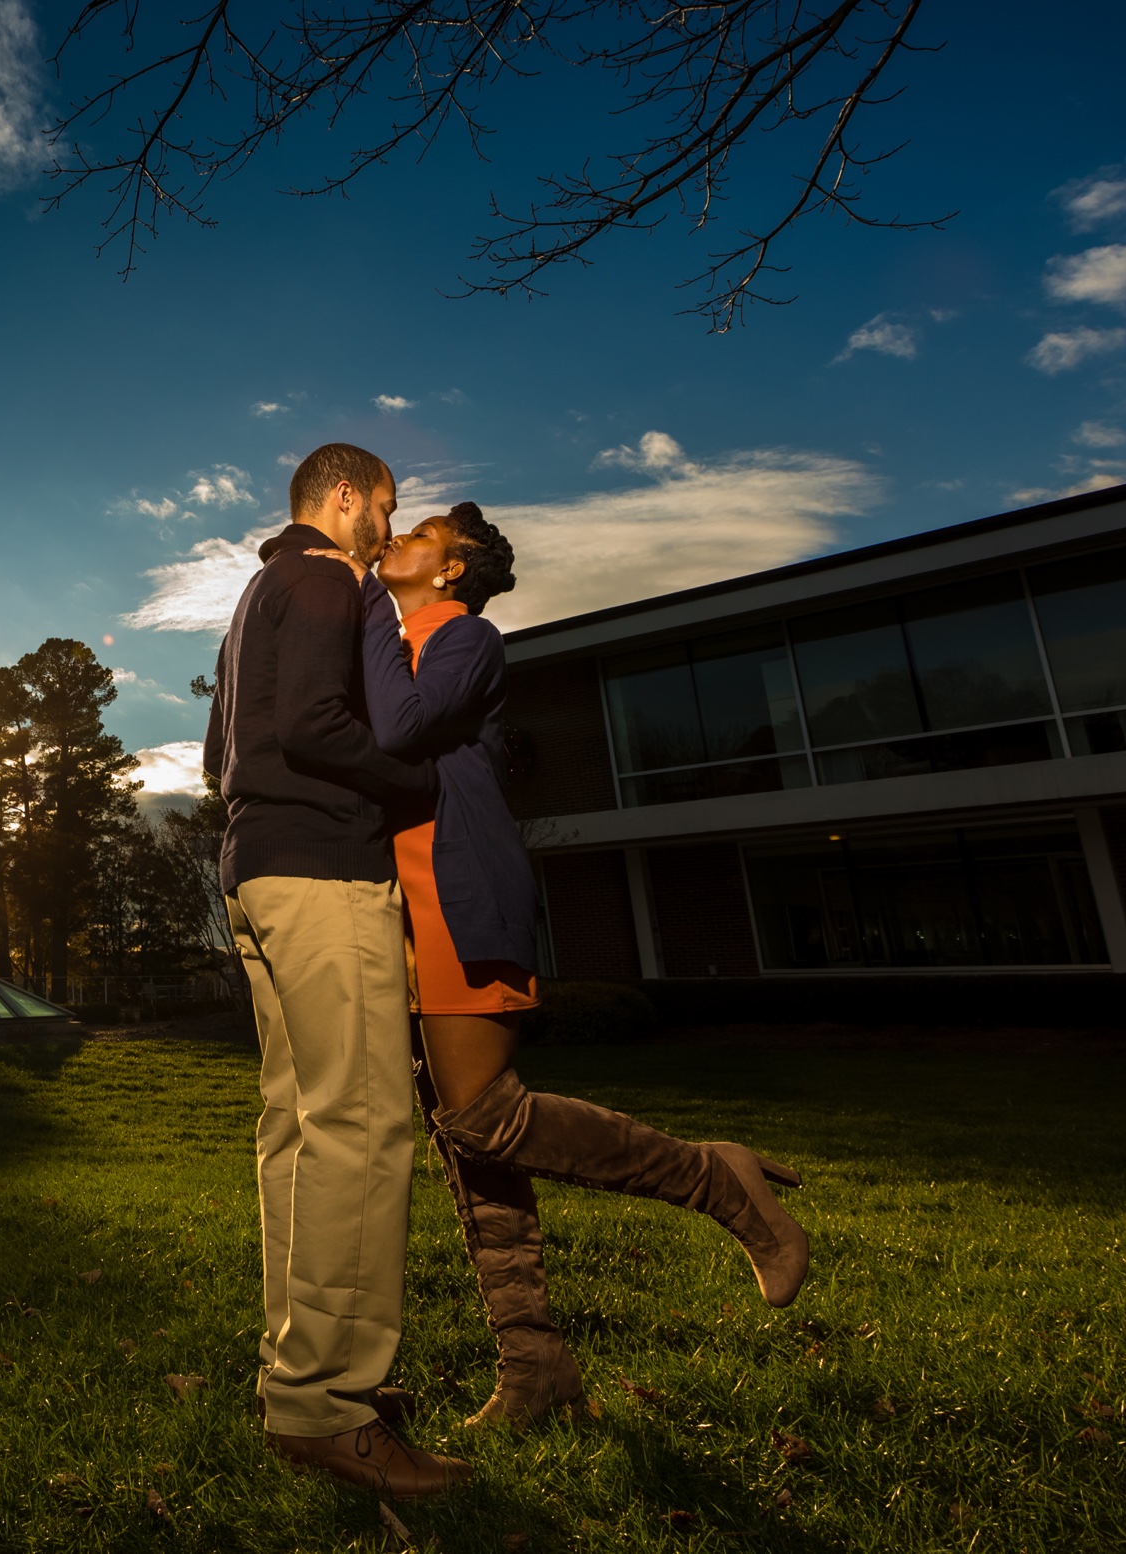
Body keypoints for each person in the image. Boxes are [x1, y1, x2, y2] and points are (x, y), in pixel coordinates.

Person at [337, 505, 812, 1428]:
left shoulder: (465, 636)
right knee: (463, 1140)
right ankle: (535, 1369)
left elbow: (397, 733)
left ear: (451, 570)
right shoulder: (398, 640)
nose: (398, 537)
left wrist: (361, 606)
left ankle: (717, 1180)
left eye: (421, 531)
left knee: (483, 1116)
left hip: (457, 884)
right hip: (403, 900)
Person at [201, 444, 468, 1498]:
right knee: (364, 1124)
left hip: (255, 870)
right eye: (385, 506)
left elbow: (219, 747)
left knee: (299, 1128)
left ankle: (300, 1374)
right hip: (320, 869)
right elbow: (316, 725)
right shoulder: (322, 576)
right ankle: (329, 1401)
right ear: (345, 496)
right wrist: (417, 778)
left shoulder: (253, 597)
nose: (386, 527)